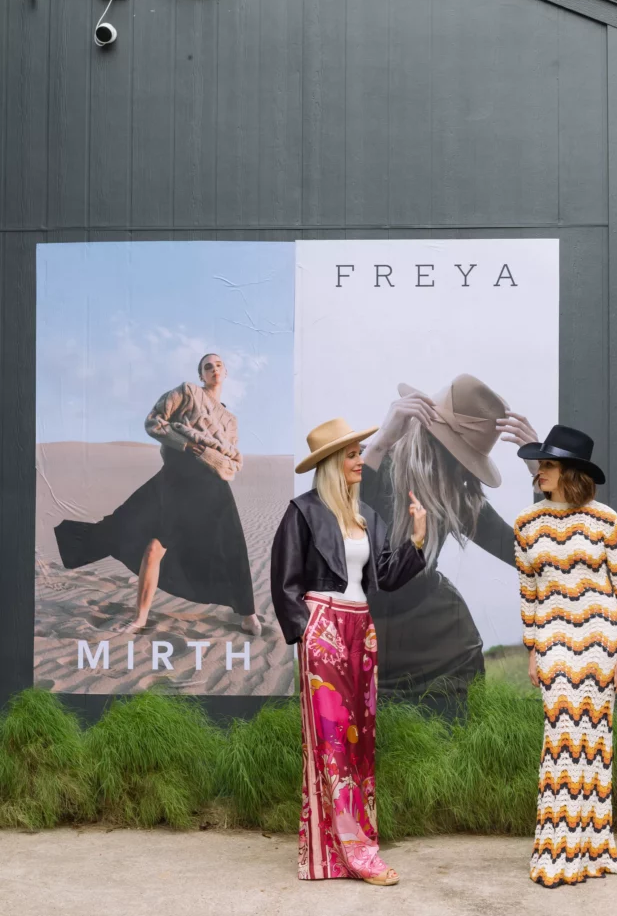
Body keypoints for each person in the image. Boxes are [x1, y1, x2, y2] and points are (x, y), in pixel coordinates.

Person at [271, 417, 427, 885]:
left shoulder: (367, 519)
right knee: (332, 743)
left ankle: (335, 851)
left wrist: (417, 538)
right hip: (325, 627)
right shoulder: (302, 512)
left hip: (363, 629)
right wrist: (309, 630)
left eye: (360, 453)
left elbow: (387, 576)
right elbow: (284, 583)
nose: (361, 461)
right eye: (353, 454)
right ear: (333, 463)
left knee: (359, 741)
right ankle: (358, 854)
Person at [54, 353, 261, 636]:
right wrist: (190, 447)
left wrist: (216, 462)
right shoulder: (187, 392)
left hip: (212, 485)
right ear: (201, 374)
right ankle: (140, 617)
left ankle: (248, 614)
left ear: (226, 373)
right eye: (207, 366)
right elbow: (154, 422)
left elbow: (231, 458)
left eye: (218, 366)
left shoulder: (230, 420)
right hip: (176, 477)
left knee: (231, 546)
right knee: (150, 546)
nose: (214, 370)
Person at [360, 373, 538, 698]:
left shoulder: (458, 493)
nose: (465, 468)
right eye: (462, 455)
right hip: (362, 639)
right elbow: (331, 524)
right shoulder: (369, 462)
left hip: (442, 647)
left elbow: (529, 557)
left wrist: (541, 472)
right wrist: (379, 443)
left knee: (452, 740)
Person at [514, 425, 617, 887]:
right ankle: (557, 851)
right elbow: (529, 592)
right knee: (562, 739)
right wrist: (532, 650)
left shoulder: (606, 520)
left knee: (594, 744)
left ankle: (591, 849)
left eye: (547, 464)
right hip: (554, 644)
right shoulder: (527, 524)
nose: (539, 471)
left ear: (571, 471)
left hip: (601, 644)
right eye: (540, 464)